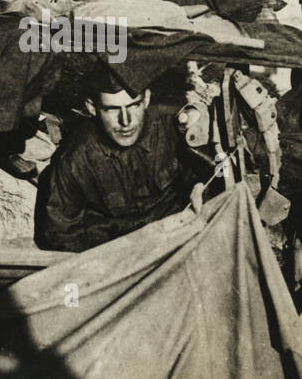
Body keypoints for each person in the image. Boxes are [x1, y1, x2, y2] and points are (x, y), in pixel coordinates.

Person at [38, 66, 202, 252]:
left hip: (175, 231)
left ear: (146, 99)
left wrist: (199, 186)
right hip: (115, 246)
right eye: (112, 109)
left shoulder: (171, 127)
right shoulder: (77, 157)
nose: (126, 121)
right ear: (92, 108)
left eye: (134, 105)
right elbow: (60, 232)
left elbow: (216, 167)